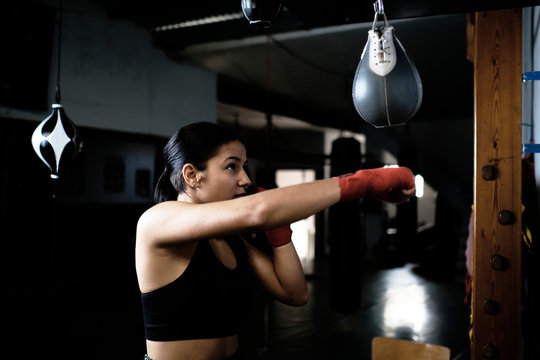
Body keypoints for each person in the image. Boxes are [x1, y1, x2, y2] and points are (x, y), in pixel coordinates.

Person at [136, 122, 416, 360]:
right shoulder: (156, 221)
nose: (246, 179)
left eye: (244, 167)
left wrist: (279, 229)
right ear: (192, 175)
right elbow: (258, 211)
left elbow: (295, 293)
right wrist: (363, 182)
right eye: (232, 167)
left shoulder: (229, 240)